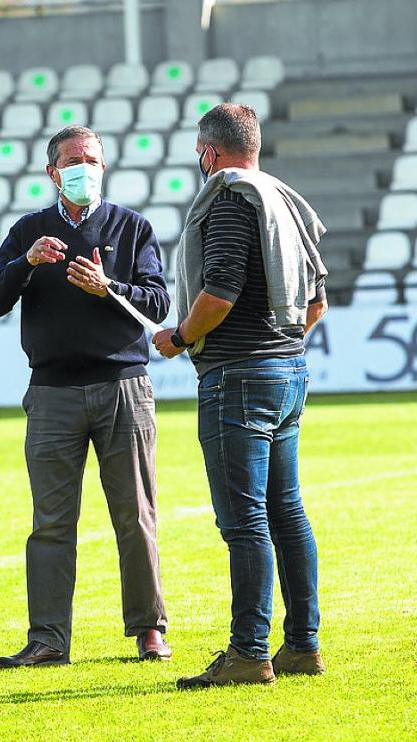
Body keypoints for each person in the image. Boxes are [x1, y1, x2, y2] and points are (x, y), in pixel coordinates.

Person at [0, 125, 172, 668]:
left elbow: (157, 303)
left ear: (104, 167)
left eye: (91, 159)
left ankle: (149, 630)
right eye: (72, 161)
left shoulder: (133, 228)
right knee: (51, 523)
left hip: (122, 387)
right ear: (51, 172)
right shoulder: (28, 232)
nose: (83, 168)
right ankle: (47, 639)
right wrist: (27, 264)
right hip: (52, 393)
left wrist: (109, 288)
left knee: (135, 515)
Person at [152, 104, 328, 688]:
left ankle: (249, 653)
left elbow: (220, 289)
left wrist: (179, 337)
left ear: (209, 153)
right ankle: (302, 645)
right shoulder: (284, 199)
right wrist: (280, 346)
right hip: (289, 370)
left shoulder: (230, 200)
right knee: (288, 512)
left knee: (245, 521)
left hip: (237, 376)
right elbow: (317, 300)